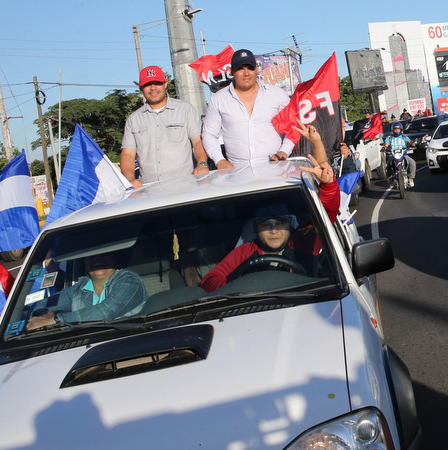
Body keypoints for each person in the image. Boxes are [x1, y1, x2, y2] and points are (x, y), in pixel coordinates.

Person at [199, 125, 341, 293]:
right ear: (255, 228)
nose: (273, 230)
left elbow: (326, 213)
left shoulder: (304, 241)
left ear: (290, 224)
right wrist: (240, 288)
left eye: (280, 223)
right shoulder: (244, 251)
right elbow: (210, 281)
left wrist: (328, 184)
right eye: (266, 225)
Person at [202, 49, 295, 169]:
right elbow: (209, 133)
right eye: (240, 68)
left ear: (256, 69)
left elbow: (293, 126)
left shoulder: (277, 94)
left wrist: (284, 151)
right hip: (237, 171)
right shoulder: (218, 99)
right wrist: (219, 160)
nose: (246, 73)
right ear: (231, 71)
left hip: (276, 168)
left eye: (250, 68)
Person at [121, 65, 209, 188]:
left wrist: (202, 163)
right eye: (147, 84)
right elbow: (128, 154)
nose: (153, 88)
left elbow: (198, 141)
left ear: (165, 84)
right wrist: (130, 179)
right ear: (140, 88)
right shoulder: (133, 119)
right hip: (150, 191)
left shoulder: (185, 109)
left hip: (186, 188)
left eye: (157, 83)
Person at [25, 253, 148, 329]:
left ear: (116, 259)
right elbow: (42, 304)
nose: (97, 260)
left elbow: (106, 311)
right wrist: (44, 315)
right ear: (85, 263)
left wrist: (55, 320)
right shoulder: (79, 289)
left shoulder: (130, 280)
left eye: (104, 254)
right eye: (91, 256)